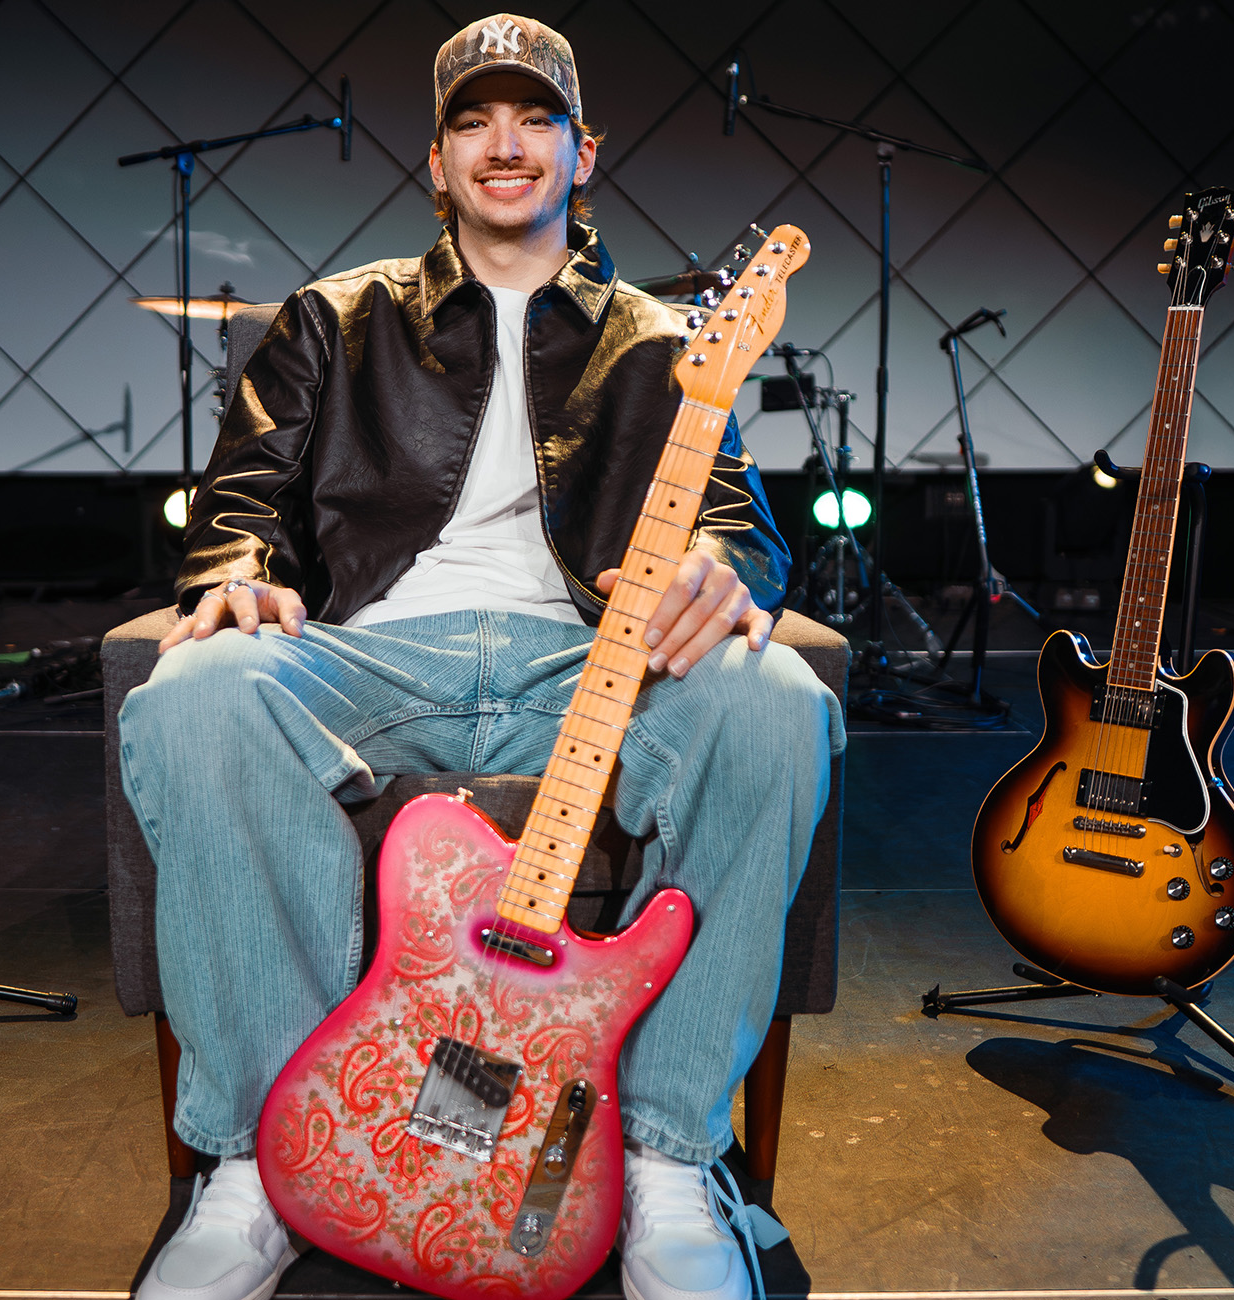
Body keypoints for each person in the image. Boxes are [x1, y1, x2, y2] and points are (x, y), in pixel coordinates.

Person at [117, 15, 842, 1300]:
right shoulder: (331, 319)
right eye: (474, 122)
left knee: (776, 696)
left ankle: (671, 1161)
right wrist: (234, 579)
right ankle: (258, 1163)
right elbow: (243, 500)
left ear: (583, 151)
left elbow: (735, 519)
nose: (504, 144)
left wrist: (721, 574)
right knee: (192, 696)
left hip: (585, 664)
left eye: (534, 119)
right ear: (437, 160)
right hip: (373, 658)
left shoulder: (665, 337)